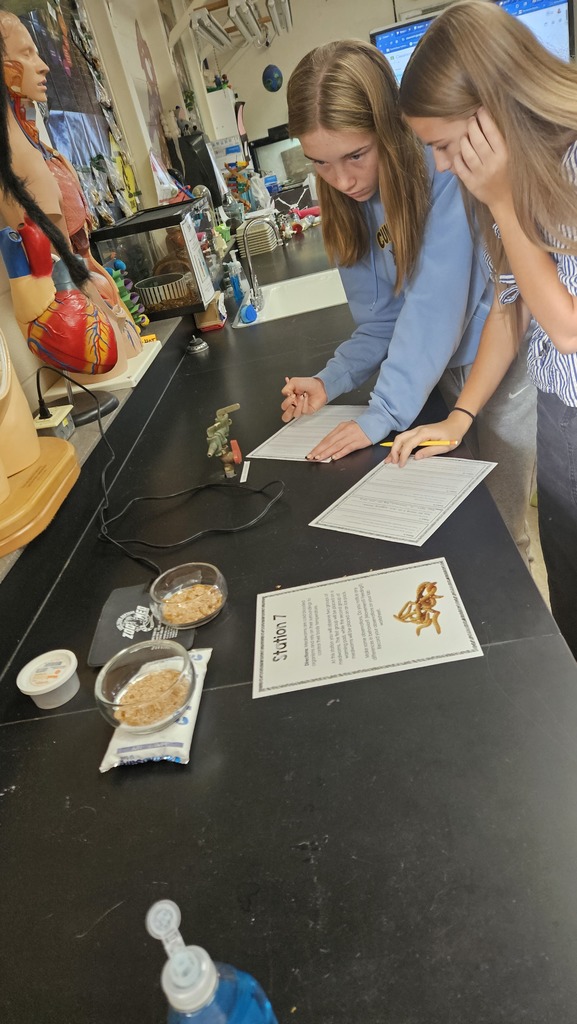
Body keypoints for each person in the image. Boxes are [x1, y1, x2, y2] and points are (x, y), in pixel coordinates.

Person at [280, 39, 536, 558]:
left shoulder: (439, 169)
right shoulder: (344, 198)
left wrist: (381, 413)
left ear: (389, 129)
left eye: (355, 155)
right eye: (321, 164)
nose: (342, 179)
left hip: (501, 366)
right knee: (462, 536)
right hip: (437, 372)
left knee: (507, 535)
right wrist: (330, 381)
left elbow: (435, 308)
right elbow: (381, 322)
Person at [388, 0, 577, 657]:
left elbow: (567, 328)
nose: (441, 165)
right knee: (566, 599)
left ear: (492, 108)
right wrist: (460, 417)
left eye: (443, 144)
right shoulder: (507, 173)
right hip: (559, 419)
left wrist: (500, 202)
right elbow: (511, 302)